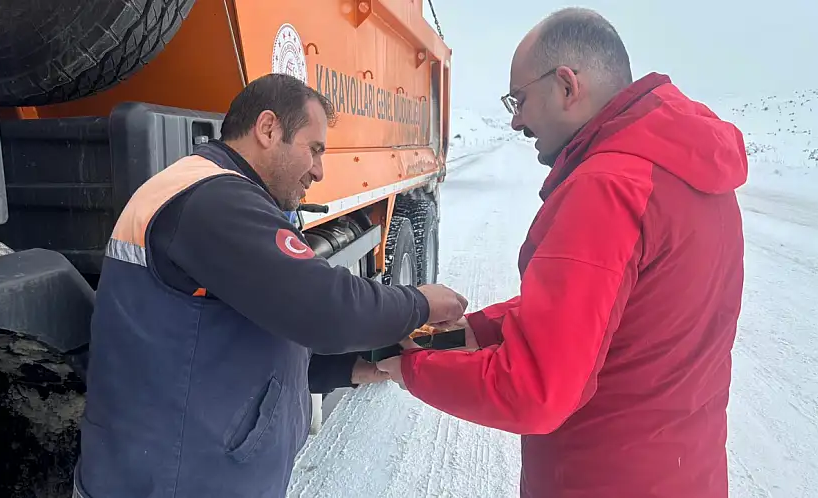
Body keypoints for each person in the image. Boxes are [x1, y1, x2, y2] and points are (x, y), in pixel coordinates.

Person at [377, 7, 747, 498]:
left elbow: (535, 392)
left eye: (520, 99)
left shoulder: (607, 186)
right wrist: (475, 331)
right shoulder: (692, 169)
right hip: (687, 475)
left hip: (599, 480)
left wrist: (407, 368)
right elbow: (612, 315)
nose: (515, 121)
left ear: (568, 86)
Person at [73, 73, 466, 498]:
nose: (319, 170)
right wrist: (419, 303)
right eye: (314, 149)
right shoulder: (211, 200)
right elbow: (324, 309)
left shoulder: (217, 196)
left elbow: (244, 336)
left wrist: (349, 368)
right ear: (267, 129)